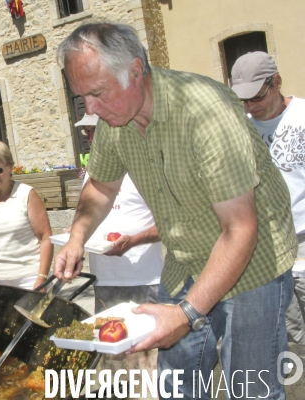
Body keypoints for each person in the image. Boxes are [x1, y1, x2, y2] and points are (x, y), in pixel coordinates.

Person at [54, 23, 297, 398]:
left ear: (136, 71)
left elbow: (240, 229)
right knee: (177, 385)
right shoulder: (113, 121)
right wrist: (76, 237)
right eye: (81, 96)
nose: (90, 109)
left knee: (250, 389)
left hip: (253, 262)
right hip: (186, 259)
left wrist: (185, 314)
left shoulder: (206, 112)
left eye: (98, 93)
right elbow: (102, 184)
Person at [231, 51, 305, 345]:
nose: (250, 106)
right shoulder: (242, 128)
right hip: (268, 250)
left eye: (257, 97)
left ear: (276, 82)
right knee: (290, 335)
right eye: (244, 100)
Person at [74, 114, 162, 313]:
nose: (89, 139)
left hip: (144, 278)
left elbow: (170, 225)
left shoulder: (144, 168)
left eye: (94, 131)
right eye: (86, 133)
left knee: (148, 342)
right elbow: (89, 216)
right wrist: (76, 235)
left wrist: (134, 240)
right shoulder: (91, 174)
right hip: (104, 280)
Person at [0, 141, 53, 290]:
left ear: (10, 167)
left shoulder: (26, 194)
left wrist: (42, 279)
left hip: (30, 280)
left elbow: (45, 238)